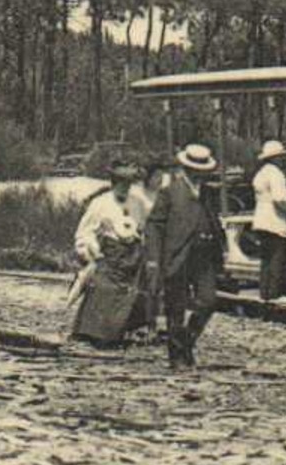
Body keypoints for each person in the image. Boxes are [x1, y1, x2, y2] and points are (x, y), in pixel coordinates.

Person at [145, 143, 224, 369]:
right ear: (188, 169)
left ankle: (187, 341)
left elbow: (212, 220)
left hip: (203, 256)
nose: (201, 174)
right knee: (175, 308)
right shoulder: (170, 192)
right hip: (177, 255)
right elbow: (154, 226)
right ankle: (177, 356)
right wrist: (154, 258)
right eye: (198, 170)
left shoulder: (209, 192)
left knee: (208, 301)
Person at [66, 161, 147, 344]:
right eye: (121, 183)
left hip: (133, 257)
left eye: (128, 183)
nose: (125, 187)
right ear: (113, 182)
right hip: (109, 257)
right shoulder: (100, 203)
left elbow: (146, 229)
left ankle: (128, 331)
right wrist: (90, 250)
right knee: (103, 288)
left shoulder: (138, 204)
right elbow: (84, 233)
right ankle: (93, 333)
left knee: (137, 291)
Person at [250, 139, 286, 302]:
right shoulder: (275, 173)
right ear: (276, 158)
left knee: (266, 259)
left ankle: (264, 293)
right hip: (275, 220)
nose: (283, 159)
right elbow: (281, 198)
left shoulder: (261, 173)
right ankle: (275, 294)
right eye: (281, 157)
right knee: (277, 258)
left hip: (261, 219)